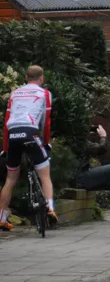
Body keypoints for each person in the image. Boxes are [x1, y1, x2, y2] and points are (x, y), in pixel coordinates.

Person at [0, 65, 57, 231]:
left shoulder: (15, 93)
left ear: (26, 77)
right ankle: (51, 209)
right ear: (41, 79)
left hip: (13, 134)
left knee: (10, 179)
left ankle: (2, 218)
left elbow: (6, 122)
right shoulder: (44, 93)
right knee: (45, 174)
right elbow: (46, 122)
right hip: (31, 132)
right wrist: (45, 143)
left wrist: (5, 147)